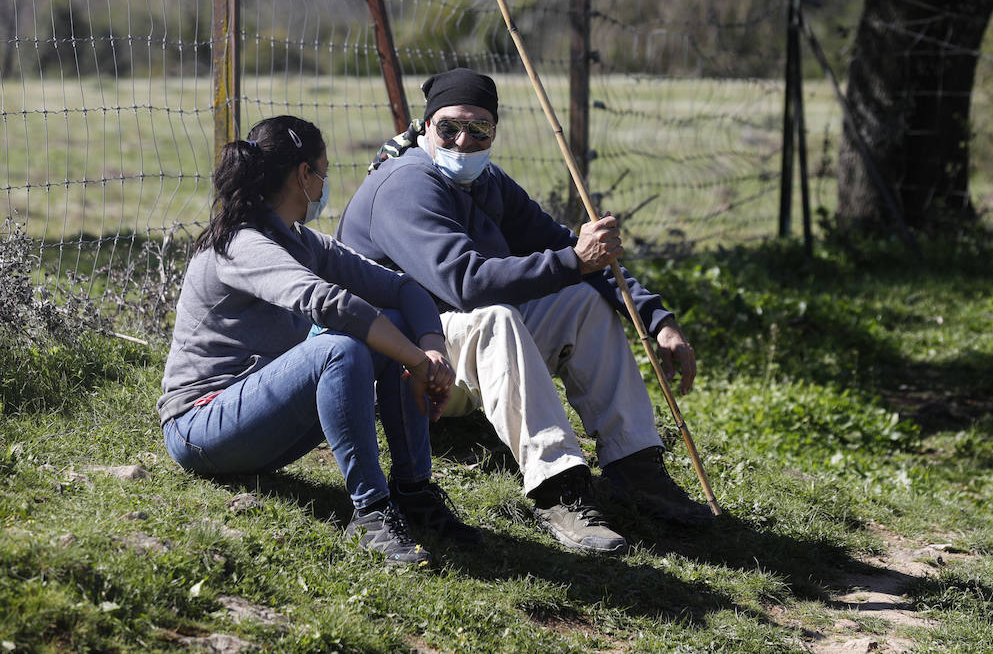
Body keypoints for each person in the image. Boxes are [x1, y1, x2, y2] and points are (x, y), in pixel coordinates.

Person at [337, 68, 713, 556]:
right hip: (402, 363)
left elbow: (562, 246)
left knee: (580, 302)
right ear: (425, 126)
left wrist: (654, 317)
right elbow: (465, 283)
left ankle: (635, 467)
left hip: (459, 345)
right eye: (449, 127)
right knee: (498, 316)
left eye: (479, 130)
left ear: (495, 132)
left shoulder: (487, 182)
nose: (462, 140)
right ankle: (559, 489)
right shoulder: (405, 185)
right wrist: (573, 260)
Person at [159, 115, 480, 565]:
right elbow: (326, 302)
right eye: (324, 171)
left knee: (395, 321)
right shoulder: (239, 244)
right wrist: (419, 363)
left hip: (260, 418)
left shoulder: (302, 241)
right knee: (340, 348)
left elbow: (404, 288)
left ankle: (413, 492)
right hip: (200, 426)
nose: (327, 182)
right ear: (303, 175)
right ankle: (370, 513)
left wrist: (430, 348)